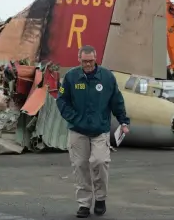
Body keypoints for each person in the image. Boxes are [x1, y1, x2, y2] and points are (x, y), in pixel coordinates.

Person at [56, 45, 130, 218]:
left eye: (90, 61)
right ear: (79, 59)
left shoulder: (107, 77)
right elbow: (61, 100)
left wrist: (123, 121)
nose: (88, 64)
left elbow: (117, 101)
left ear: (96, 59)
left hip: (100, 130)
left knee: (100, 162)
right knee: (80, 166)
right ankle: (84, 204)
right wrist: (73, 117)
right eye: (84, 61)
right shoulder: (71, 77)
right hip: (77, 130)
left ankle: (101, 198)